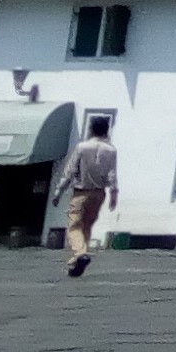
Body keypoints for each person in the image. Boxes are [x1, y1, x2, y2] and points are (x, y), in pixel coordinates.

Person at [53, 114, 120, 278]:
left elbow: (69, 171)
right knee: (87, 226)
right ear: (107, 130)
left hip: (81, 192)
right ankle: (77, 261)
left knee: (74, 225)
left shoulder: (82, 147)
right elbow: (112, 174)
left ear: (91, 129)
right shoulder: (111, 150)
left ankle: (80, 254)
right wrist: (114, 194)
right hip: (99, 194)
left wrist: (58, 192)